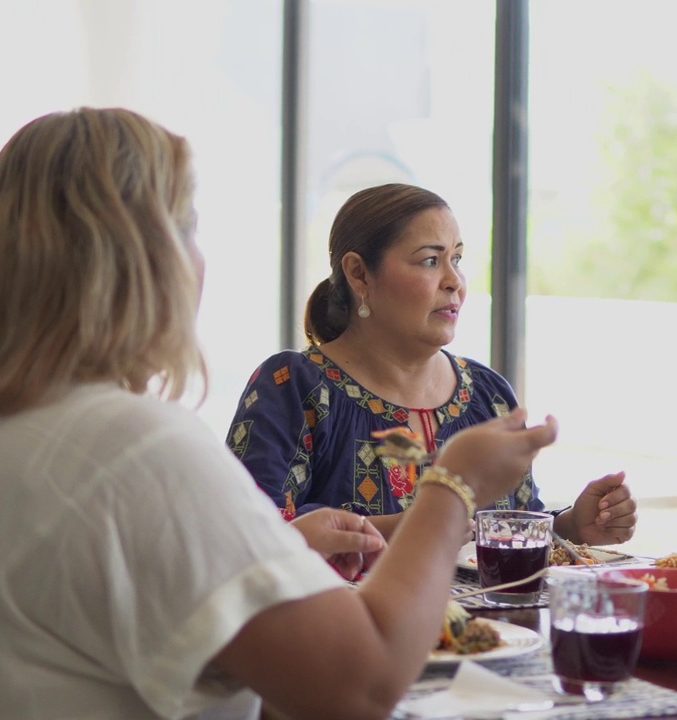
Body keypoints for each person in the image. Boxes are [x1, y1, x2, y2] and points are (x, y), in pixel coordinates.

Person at [0, 107, 558, 720]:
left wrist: (280, 551)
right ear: (143, 260)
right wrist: (452, 486)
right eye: (187, 228)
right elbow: (357, 689)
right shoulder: (134, 447)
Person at [225, 183, 637, 545]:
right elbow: (249, 538)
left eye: (456, 259)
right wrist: (422, 525)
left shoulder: (487, 394)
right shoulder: (293, 387)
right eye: (429, 260)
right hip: (347, 631)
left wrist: (569, 528)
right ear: (359, 274)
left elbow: (509, 527)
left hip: (496, 635)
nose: (454, 281)